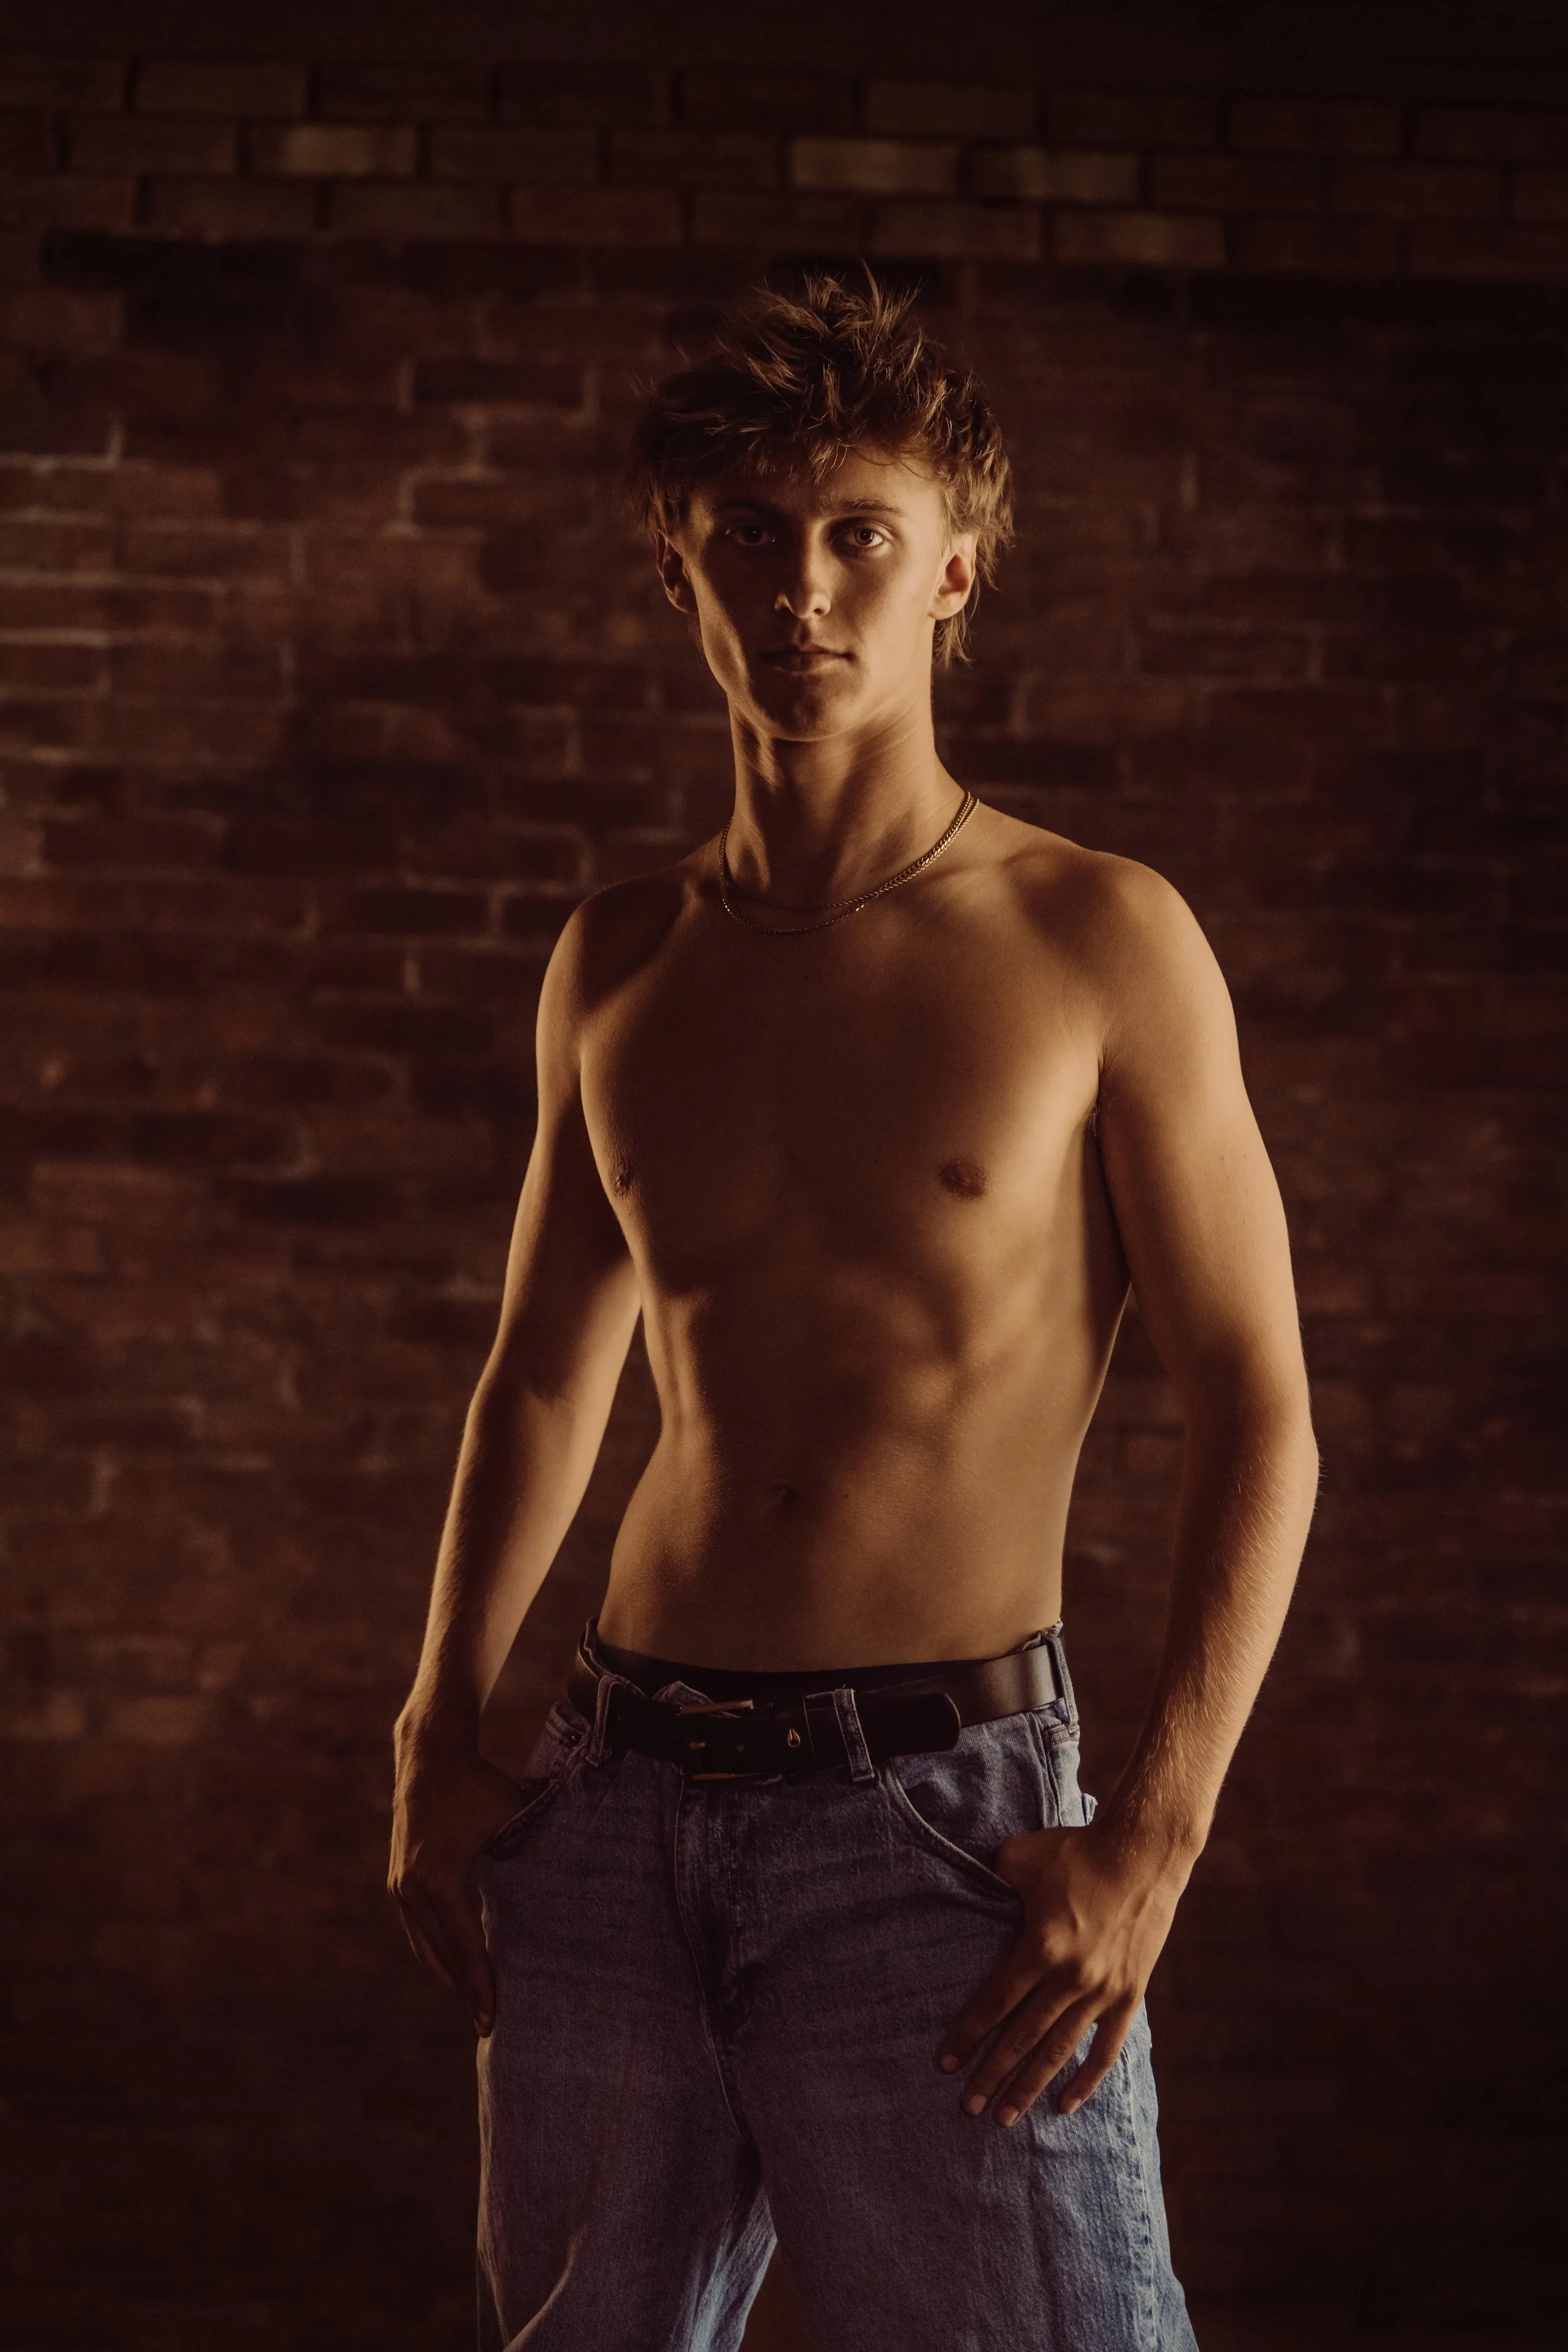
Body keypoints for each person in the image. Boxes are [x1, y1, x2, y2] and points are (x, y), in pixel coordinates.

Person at [388, 272, 1319, 2351]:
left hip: (934, 1819)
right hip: (610, 1799)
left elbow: (1258, 1403)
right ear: (675, 566)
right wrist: (433, 1729)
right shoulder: (617, 956)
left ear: (951, 569)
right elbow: (540, 1374)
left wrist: (1153, 1836)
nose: (801, 587)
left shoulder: (1096, 936)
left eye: (857, 535)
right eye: (748, 533)